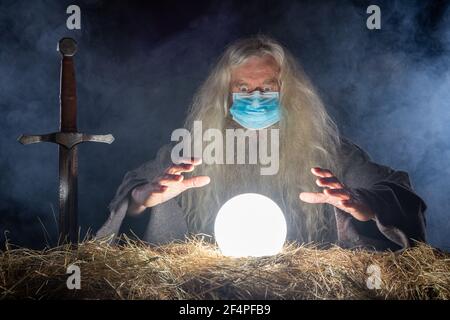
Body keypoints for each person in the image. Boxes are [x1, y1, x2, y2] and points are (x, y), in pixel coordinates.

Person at [97, 35, 426, 251]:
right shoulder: (191, 151)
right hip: (208, 292)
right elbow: (135, 191)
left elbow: (401, 193)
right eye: (242, 89)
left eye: (267, 88)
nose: (255, 99)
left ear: (289, 94)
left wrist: (364, 205)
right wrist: (142, 199)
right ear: (225, 96)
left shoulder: (328, 152)